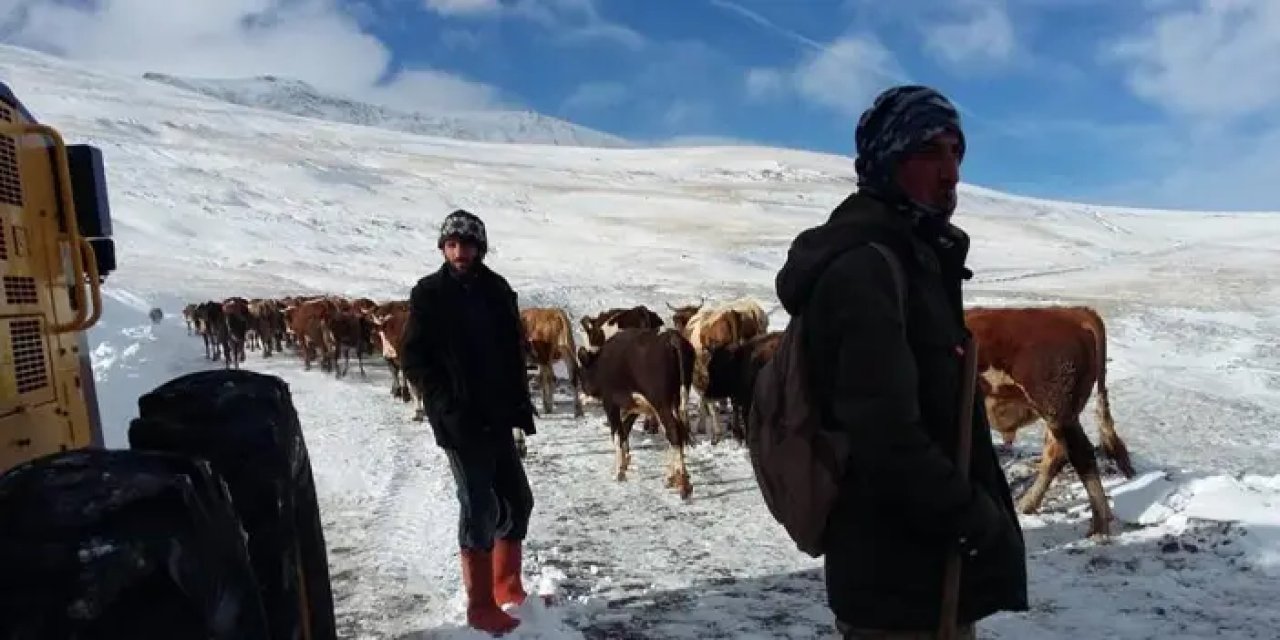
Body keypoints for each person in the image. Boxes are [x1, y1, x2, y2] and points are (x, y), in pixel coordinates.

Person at [773, 85, 1029, 638]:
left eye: (957, 152)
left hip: (925, 573)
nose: (951, 173)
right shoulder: (866, 271)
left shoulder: (913, 259)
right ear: (889, 160)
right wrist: (974, 517)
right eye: (930, 152)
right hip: (896, 582)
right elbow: (885, 437)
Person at [399, 209, 538, 635]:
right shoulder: (429, 293)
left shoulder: (497, 290)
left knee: (517, 500)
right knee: (477, 505)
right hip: (460, 421)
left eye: (468, 244)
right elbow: (413, 357)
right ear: (443, 248)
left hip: (497, 415)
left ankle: (507, 586)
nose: (460, 252)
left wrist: (518, 404)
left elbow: (512, 351)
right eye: (452, 244)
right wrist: (444, 405)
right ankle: (479, 606)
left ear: (480, 248)